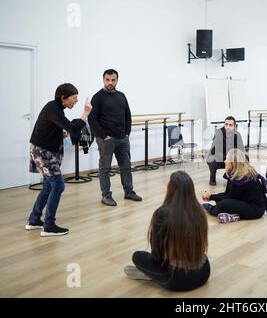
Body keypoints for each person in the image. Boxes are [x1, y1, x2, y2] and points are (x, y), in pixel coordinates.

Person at [124, 171, 210, 291]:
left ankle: (151, 275)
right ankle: (154, 275)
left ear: (170, 188)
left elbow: (157, 256)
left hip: (178, 279)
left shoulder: (162, 213)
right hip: (204, 272)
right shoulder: (199, 210)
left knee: (137, 256)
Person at [26, 83, 92, 236]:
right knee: (58, 185)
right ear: (63, 98)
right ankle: (48, 226)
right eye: (74, 98)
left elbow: (66, 126)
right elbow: (73, 128)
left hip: (42, 149)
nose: (75, 101)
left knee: (49, 186)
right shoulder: (53, 109)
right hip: (43, 151)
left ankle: (34, 219)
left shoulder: (56, 109)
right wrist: (85, 113)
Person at [88, 69, 142, 206]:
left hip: (122, 138)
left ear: (117, 80)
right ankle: (106, 195)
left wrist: (127, 132)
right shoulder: (98, 97)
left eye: (113, 80)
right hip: (106, 139)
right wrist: (103, 136)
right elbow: (92, 120)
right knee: (105, 168)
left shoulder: (121, 96)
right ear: (103, 80)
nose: (110, 82)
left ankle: (129, 191)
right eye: (107, 80)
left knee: (126, 166)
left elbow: (128, 115)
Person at [202, 149, 267, 223]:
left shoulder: (243, 178)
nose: (225, 161)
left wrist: (211, 197)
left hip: (255, 210)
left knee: (223, 204)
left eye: (227, 159)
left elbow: (230, 197)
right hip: (244, 202)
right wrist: (211, 196)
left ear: (234, 163)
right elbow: (227, 193)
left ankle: (210, 208)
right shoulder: (233, 174)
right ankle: (233, 216)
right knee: (222, 201)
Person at [206, 116, 244, 186]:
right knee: (211, 160)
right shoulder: (218, 133)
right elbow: (214, 151)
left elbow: (241, 151)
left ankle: (230, 176)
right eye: (226, 124)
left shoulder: (237, 135)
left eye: (230, 125)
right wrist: (227, 158)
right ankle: (212, 179)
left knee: (243, 158)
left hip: (230, 160)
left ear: (235, 126)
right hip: (219, 158)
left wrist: (232, 159)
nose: (228, 127)